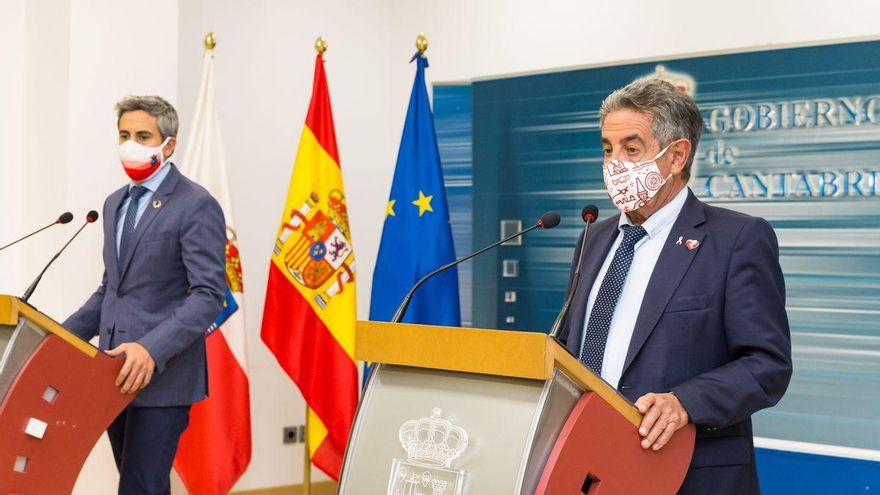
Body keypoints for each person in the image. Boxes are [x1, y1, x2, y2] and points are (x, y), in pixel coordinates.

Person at [561, 78, 792, 494]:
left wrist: (685, 402)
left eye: (631, 149)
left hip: (689, 473)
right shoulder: (593, 237)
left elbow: (767, 363)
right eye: (608, 149)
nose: (615, 164)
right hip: (589, 466)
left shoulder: (736, 239)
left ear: (677, 156)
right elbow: (569, 348)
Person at [63, 95, 226, 494]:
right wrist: (57, 337)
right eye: (124, 135)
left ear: (168, 145)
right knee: (139, 485)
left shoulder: (195, 204)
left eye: (142, 136)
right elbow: (111, 291)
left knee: (141, 486)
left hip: (163, 376)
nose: (130, 144)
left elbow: (208, 295)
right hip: (113, 375)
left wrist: (151, 349)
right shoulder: (114, 204)